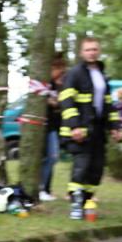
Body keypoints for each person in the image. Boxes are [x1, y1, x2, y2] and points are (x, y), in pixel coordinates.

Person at [57, 37, 122, 221]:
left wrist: (115, 126)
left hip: (98, 131)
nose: (91, 53)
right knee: (82, 167)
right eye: (88, 50)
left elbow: (108, 104)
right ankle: (75, 205)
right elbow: (67, 101)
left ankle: (87, 202)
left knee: (96, 169)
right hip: (80, 131)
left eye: (94, 49)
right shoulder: (75, 73)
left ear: (99, 51)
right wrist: (74, 126)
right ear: (81, 52)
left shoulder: (102, 74)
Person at [40, 55, 67, 201]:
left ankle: (47, 189)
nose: (61, 71)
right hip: (45, 126)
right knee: (51, 157)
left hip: (56, 127)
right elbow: (50, 102)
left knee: (52, 158)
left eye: (62, 68)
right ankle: (41, 188)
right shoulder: (45, 84)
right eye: (57, 68)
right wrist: (54, 102)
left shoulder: (60, 85)